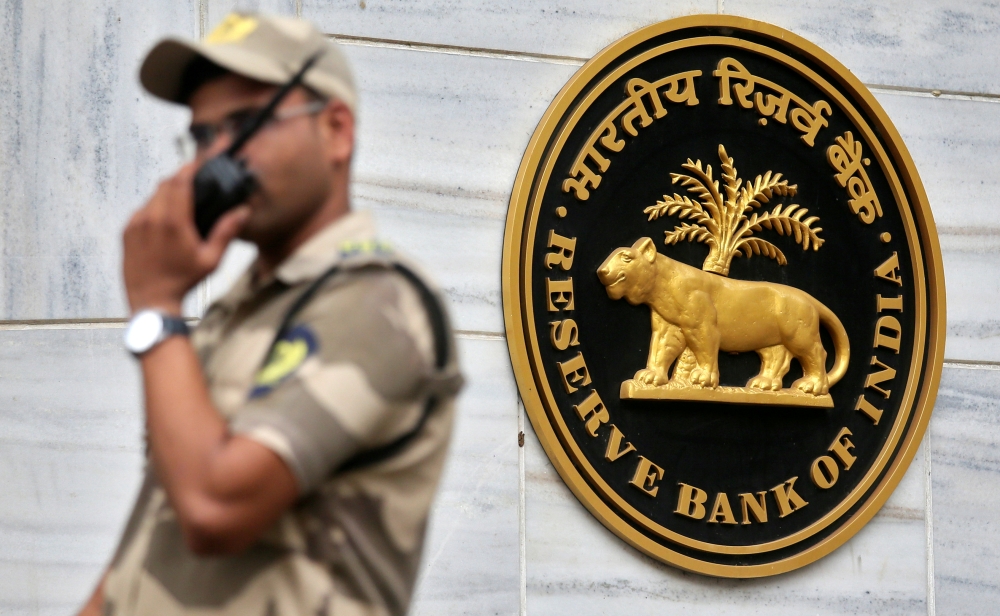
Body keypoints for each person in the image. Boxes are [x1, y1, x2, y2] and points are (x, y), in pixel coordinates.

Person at [77, 12, 463, 616]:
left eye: (243, 124)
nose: (215, 158)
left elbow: (213, 509)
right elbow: (157, 532)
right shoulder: (240, 309)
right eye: (202, 137)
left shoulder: (379, 302)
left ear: (336, 131)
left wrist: (155, 308)